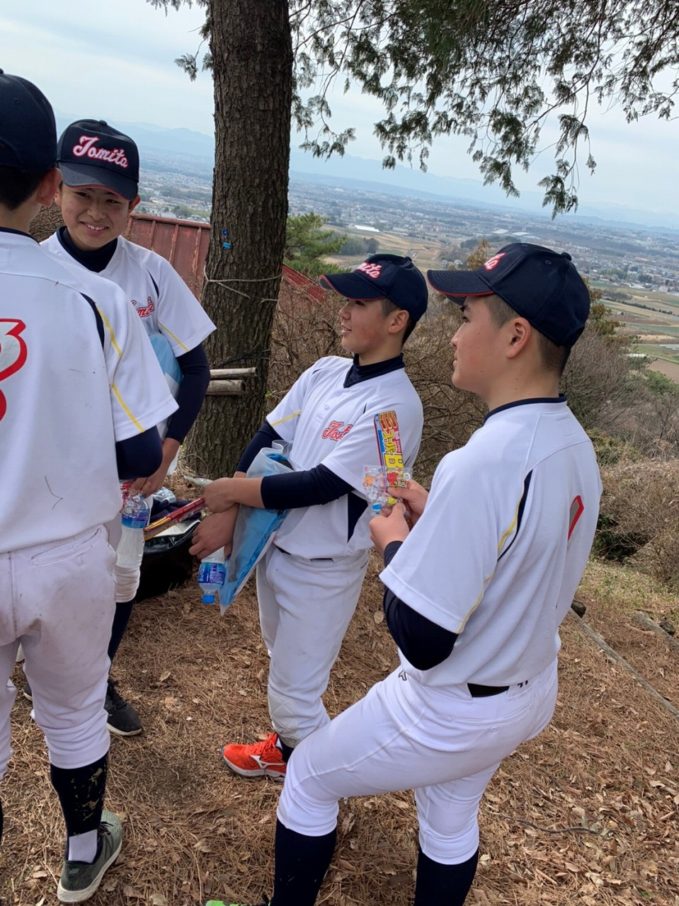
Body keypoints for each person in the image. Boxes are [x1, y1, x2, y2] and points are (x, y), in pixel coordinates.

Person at [224, 243, 602, 906]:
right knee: (449, 814)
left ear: (515, 336)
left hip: (452, 704)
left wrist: (394, 541)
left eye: (467, 317)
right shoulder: (572, 443)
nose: (453, 335)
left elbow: (421, 637)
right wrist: (436, 522)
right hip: (524, 686)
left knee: (309, 778)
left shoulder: (482, 461)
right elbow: (517, 555)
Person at [0, 72, 177, 902]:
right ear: (48, 184)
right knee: (72, 712)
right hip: (69, 553)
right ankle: (82, 849)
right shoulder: (96, 298)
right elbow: (140, 445)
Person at [191, 254, 428, 780]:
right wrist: (232, 509)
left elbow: (322, 485)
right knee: (281, 659)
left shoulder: (395, 407)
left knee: (295, 699)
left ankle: (322, 790)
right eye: (346, 300)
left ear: (397, 320)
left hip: (322, 568)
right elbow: (270, 435)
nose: (344, 311)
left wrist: (230, 491)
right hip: (275, 545)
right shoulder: (325, 370)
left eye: (359, 303)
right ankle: (288, 754)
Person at [40, 119, 216, 736]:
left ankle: (96, 681)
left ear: (133, 205)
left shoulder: (152, 273)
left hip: (131, 471)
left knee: (119, 579)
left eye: (112, 200)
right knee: (48, 576)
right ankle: (43, 677)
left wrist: (168, 449)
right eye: (83, 194)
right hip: (50, 466)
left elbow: (196, 366)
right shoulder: (32, 269)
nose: (95, 212)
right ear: (56, 189)